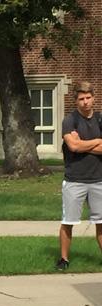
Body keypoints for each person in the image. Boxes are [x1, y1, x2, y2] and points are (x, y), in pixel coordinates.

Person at [55, 81, 102, 271]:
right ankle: (64, 259)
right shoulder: (70, 121)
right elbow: (73, 146)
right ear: (76, 101)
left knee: (101, 222)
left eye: (88, 98)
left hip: (99, 179)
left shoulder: (100, 119)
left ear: (93, 98)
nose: (85, 102)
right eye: (81, 99)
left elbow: (79, 145)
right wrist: (98, 141)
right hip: (74, 180)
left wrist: (84, 143)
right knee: (69, 222)